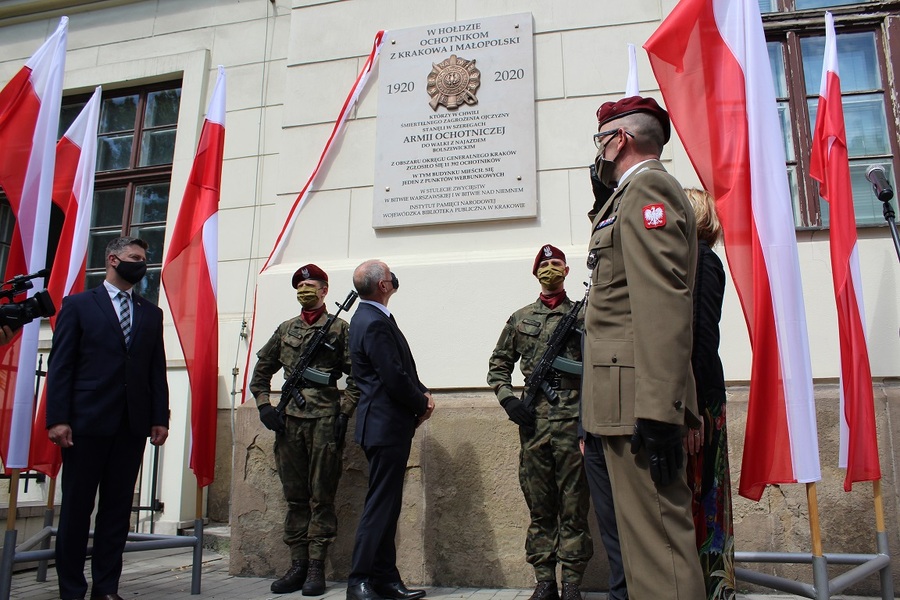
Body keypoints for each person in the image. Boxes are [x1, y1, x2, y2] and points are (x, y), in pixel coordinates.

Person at [581, 96, 705, 599]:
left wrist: (658, 410)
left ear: (620, 140)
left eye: (601, 141)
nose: (598, 152)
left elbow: (662, 303)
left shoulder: (648, 189)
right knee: (640, 549)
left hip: (637, 401)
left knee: (659, 551)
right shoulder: (625, 197)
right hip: (620, 398)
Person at [46, 236, 169, 600]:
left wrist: (159, 417)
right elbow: (61, 365)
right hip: (85, 425)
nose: (141, 264)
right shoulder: (79, 305)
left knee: (116, 512)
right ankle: (71, 589)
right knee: (77, 510)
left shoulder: (151, 313)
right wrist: (58, 418)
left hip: (130, 426)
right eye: (135, 257)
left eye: (144, 259)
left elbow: (155, 369)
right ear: (113, 260)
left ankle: (106, 588)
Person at [487, 244, 598, 600]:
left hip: (573, 422)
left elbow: (598, 366)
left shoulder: (584, 315)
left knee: (574, 505)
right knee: (540, 504)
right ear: (536, 273)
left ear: (567, 271)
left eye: (556, 264)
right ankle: (545, 580)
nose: (550, 269)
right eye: (544, 265)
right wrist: (508, 400)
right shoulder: (520, 319)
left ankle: (573, 583)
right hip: (534, 424)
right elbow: (498, 366)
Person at [250, 263, 360, 595]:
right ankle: (297, 565)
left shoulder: (339, 328)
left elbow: (357, 376)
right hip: (289, 422)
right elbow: (261, 372)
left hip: (325, 420)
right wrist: (264, 406)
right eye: (300, 287)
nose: (304, 291)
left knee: (322, 496)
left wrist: (344, 412)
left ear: (324, 290)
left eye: (310, 286)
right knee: (295, 497)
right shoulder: (286, 329)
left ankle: (316, 567)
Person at [346, 260, 434, 600]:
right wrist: (421, 402)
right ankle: (359, 580)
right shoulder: (372, 321)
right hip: (384, 426)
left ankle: (385, 578)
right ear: (383, 285)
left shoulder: (372, 317)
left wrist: (421, 392)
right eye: (388, 274)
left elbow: (399, 369)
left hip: (386, 425)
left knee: (388, 505)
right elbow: (392, 376)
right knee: (380, 506)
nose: (392, 277)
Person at [683, 188, 735, 600]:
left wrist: (694, 410)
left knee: (707, 498)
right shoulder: (685, 261)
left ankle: (714, 590)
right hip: (690, 398)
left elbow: (701, 338)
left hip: (700, 399)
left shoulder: (703, 260)